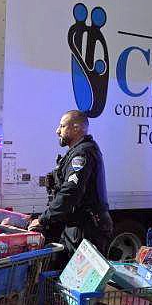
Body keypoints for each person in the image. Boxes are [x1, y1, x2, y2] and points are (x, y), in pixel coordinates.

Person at [28, 110, 113, 257]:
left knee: (80, 278)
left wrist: (43, 219)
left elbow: (70, 192)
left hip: (87, 230)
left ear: (76, 128)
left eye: (62, 126)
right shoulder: (76, 151)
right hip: (78, 227)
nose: (57, 131)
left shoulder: (82, 154)